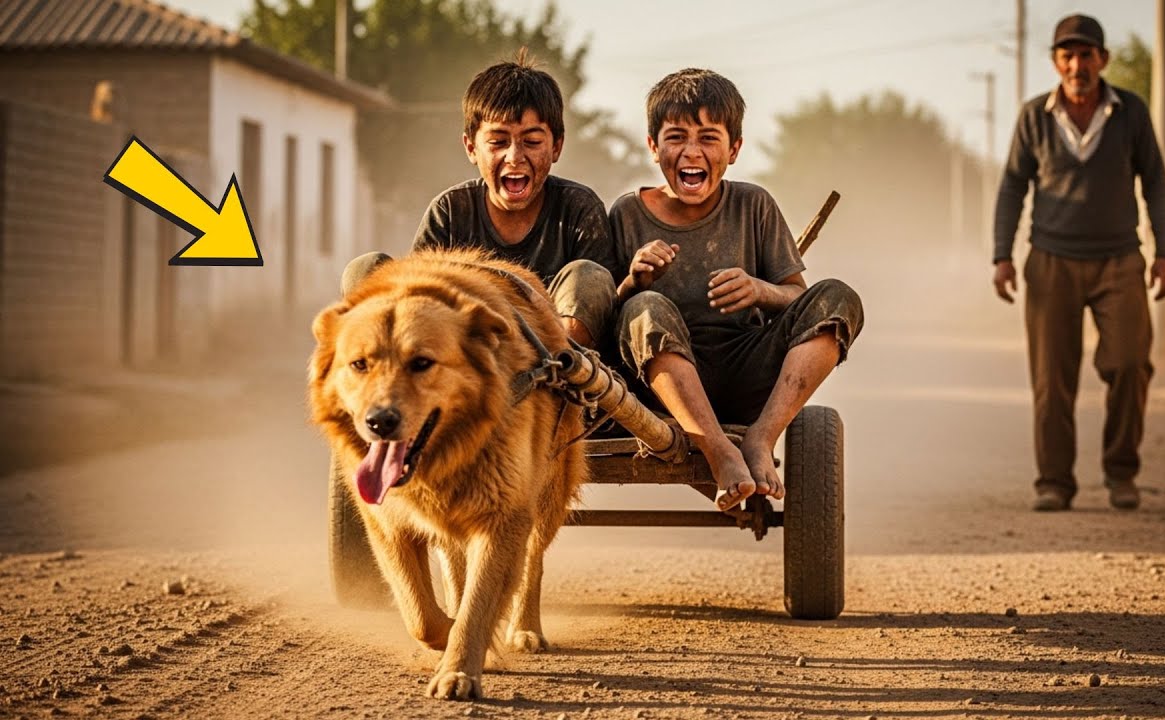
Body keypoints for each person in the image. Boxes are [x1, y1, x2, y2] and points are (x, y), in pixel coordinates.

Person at [611, 68, 864, 511]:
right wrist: (634, 281)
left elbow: (799, 298)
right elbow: (606, 318)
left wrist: (760, 291)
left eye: (709, 138)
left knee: (838, 298)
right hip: (660, 385)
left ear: (734, 150)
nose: (692, 152)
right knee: (645, 305)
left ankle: (760, 440)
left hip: (745, 372)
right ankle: (719, 449)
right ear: (653, 147)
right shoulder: (628, 214)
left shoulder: (753, 205)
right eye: (676, 137)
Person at [992, 14, 1165, 512]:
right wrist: (1002, 256)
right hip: (1051, 260)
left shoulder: (1131, 113)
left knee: (1131, 364)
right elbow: (1012, 185)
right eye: (1067, 56)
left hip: (1120, 260)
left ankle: (1121, 474)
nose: (1078, 65)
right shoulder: (1035, 116)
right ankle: (1054, 481)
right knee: (1053, 377)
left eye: (1086, 54)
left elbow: (1155, 182)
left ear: (1103, 60)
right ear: (1055, 62)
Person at [342, 50, 619, 348]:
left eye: (532, 142)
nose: (514, 157)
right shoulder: (449, 211)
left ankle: (559, 372)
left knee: (590, 277)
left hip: (554, 363)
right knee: (365, 270)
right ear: (472, 148)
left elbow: (599, 304)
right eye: (498, 142)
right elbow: (418, 300)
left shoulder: (578, 209)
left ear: (556, 147)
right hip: (469, 356)